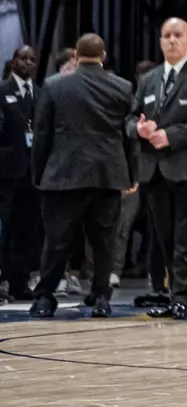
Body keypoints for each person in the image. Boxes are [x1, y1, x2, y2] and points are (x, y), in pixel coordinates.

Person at [27, 34, 136, 319]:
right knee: (104, 242)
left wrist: (38, 173)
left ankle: (44, 297)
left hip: (63, 174)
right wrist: (131, 174)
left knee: (56, 241)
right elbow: (129, 136)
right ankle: (101, 297)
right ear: (104, 56)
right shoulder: (122, 87)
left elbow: (42, 135)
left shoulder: (54, 86)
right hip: (107, 175)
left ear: (76, 55)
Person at [131, 18, 187, 319]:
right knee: (165, 238)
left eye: (177, 35)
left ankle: (185, 298)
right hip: (154, 171)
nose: (172, 40)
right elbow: (130, 117)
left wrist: (171, 136)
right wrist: (138, 129)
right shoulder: (149, 78)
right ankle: (175, 296)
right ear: (160, 41)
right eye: (166, 35)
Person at [0, 45, 38, 303]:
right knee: (2, 229)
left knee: (26, 230)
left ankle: (19, 283)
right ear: (14, 61)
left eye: (32, 59)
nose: (28, 63)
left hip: (32, 172)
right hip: (5, 172)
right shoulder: (2, 90)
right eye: (23, 58)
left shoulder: (42, 92)